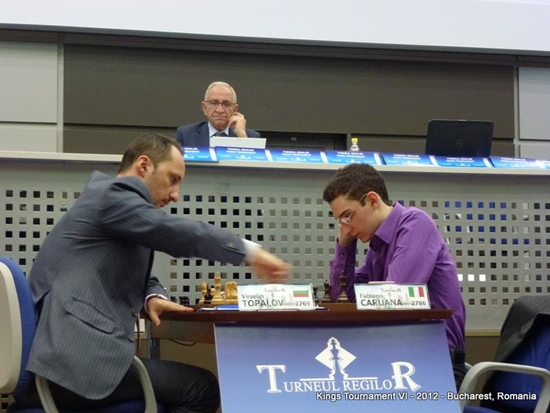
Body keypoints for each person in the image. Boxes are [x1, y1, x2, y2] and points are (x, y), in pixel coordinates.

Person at [16, 133, 290, 413]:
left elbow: (122, 269)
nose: (175, 195)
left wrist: (152, 296)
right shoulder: (112, 196)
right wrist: (250, 252)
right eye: (173, 179)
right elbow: (179, 232)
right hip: (72, 366)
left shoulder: (107, 202)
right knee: (202, 389)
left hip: (64, 361)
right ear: (144, 165)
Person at [322, 163, 467, 388]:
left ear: (372, 200)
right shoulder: (377, 247)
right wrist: (345, 246)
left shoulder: (415, 223)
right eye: (340, 221)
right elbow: (341, 297)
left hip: (436, 363)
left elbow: (393, 299)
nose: (346, 228)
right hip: (398, 356)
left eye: (348, 216)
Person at [176, 81, 261, 147]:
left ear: (235, 109)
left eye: (226, 104)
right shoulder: (186, 134)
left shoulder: (251, 137)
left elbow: (253, 163)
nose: (220, 110)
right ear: (204, 108)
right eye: (214, 103)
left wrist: (242, 135)